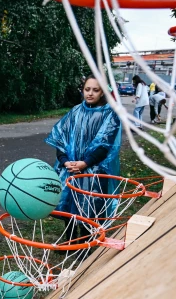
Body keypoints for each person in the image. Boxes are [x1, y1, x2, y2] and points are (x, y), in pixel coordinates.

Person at [44, 75, 122, 237]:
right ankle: (70, 240)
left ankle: (84, 245)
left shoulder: (110, 115)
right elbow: (61, 139)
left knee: (89, 209)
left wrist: (85, 163)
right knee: (68, 205)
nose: (90, 93)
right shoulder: (75, 112)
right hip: (70, 169)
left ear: (102, 92)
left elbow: (104, 146)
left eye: (95, 90)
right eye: (87, 89)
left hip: (94, 172)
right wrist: (65, 162)